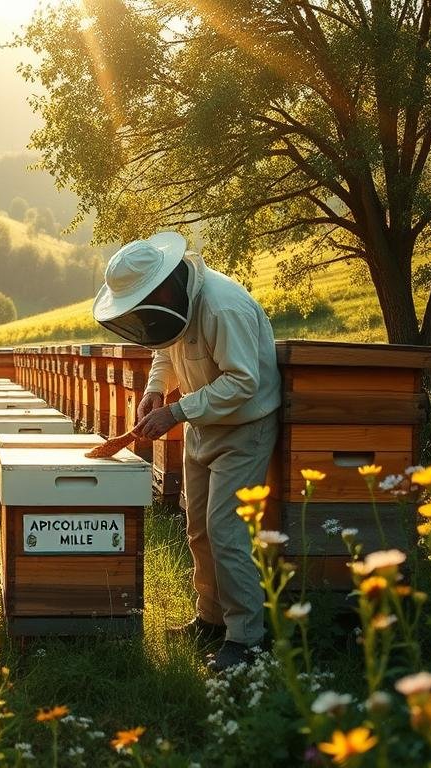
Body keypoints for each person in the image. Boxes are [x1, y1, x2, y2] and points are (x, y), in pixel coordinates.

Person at [92, 231, 281, 672]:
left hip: (243, 427)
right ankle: (211, 619)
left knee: (226, 531)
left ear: (163, 286)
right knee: (197, 527)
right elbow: (164, 342)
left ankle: (248, 639)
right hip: (201, 424)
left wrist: (176, 412)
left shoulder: (222, 306)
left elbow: (243, 382)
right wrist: (155, 391)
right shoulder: (176, 304)